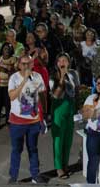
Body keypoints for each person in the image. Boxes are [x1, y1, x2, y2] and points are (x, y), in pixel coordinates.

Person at [7, 55, 47, 183]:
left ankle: (35, 175)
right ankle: (13, 176)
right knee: (16, 149)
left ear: (32, 64)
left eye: (28, 63)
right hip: (17, 122)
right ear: (19, 65)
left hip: (33, 121)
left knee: (33, 148)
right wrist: (24, 81)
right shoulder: (14, 78)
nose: (26, 66)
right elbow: (12, 97)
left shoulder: (37, 77)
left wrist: (44, 114)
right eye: (23, 64)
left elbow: (42, 95)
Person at [50, 53, 80, 179]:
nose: (62, 62)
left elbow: (77, 90)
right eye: (60, 60)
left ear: (68, 62)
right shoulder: (53, 77)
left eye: (65, 60)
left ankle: (65, 164)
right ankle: (59, 167)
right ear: (57, 63)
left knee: (68, 138)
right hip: (59, 109)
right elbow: (56, 95)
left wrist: (78, 107)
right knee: (58, 140)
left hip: (71, 107)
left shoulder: (74, 73)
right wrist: (62, 77)